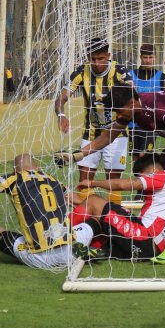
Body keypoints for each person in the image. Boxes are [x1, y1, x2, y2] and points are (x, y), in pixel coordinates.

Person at [66, 85, 165, 264]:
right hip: (147, 241)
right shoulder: (133, 111)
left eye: (119, 111)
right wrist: (78, 155)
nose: (118, 115)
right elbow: (107, 136)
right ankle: (94, 246)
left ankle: (62, 234)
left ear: (132, 103)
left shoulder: (159, 110)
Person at [0, 153, 92, 269]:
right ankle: (99, 244)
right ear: (37, 167)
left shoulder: (13, 178)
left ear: (15, 170)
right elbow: (80, 203)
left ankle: (26, 250)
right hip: (71, 251)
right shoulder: (53, 180)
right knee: (88, 224)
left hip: (41, 259)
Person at [71, 154, 165, 261]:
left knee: (93, 201)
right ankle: (95, 248)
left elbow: (124, 185)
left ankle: (63, 235)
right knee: (103, 219)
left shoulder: (161, 176)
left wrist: (92, 183)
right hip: (149, 250)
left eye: (141, 176)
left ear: (152, 170)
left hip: (143, 236)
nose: (140, 179)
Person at [53, 38, 131, 205]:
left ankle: (112, 222)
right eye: (92, 59)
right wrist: (61, 115)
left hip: (117, 135)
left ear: (108, 56)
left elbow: (132, 95)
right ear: (88, 57)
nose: (96, 63)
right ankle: (88, 219)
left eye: (100, 58)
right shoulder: (81, 73)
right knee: (84, 179)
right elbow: (61, 98)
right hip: (91, 134)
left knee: (113, 182)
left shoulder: (120, 72)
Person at [128, 43, 165, 157]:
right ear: (140, 57)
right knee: (135, 157)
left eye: (151, 57)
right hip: (133, 123)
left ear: (155, 57)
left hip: (151, 124)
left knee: (145, 155)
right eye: (145, 57)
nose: (148, 61)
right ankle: (138, 176)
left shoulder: (162, 77)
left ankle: (146, 174)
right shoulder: (130, 76)